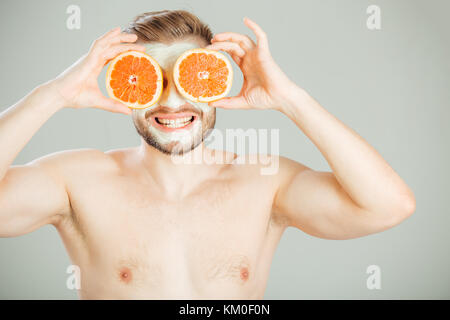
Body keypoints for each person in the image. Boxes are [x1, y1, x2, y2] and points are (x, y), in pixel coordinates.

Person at [0, 10, 415, 299]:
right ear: (128, 87)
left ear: (216, 85)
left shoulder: (265, 183)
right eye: (151, 80)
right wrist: (51, 95)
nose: (172, 101)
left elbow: (388, 206)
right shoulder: (78, 181)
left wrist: (292, 99)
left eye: (191, 78)